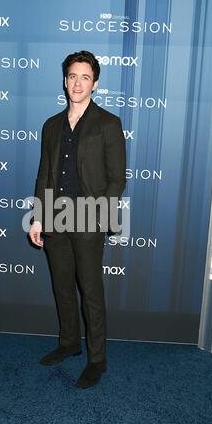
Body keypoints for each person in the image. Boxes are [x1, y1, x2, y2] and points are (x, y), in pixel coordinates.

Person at [29, 51, 126, 389]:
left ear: (95, 83)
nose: (78, 83)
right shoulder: (51, 125)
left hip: (88, 218)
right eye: (73, 76)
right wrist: (39, 217)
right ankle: (69, 343)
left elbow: (117, 180)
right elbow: (43, 174)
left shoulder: (108, 123)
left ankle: (97, 359)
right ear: (65, 80)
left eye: (85, 77)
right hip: (55, 215)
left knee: (91, 292)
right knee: (62, 287)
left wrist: (98, 215)